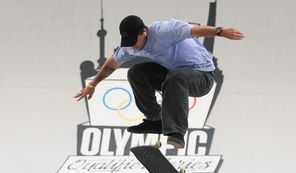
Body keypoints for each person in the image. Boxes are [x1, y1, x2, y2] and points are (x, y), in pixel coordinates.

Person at [75, 15, 244, 148]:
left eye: (135, 42)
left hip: (202, 77)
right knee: (136, 73)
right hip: (173, 75)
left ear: (144, 32)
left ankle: (177, 132)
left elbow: (195, 31)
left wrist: (220, 31)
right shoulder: (129, 46)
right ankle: (156, 120)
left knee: (176, 76)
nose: (133, 47)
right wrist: (92, 84)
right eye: (130, 44)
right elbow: (111, 64)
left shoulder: (166, 30)